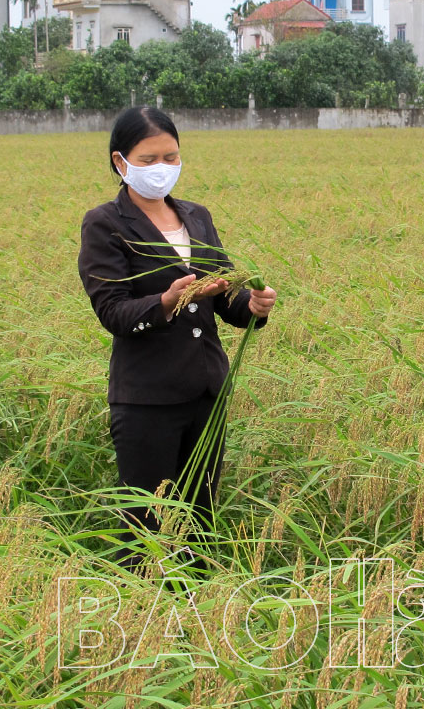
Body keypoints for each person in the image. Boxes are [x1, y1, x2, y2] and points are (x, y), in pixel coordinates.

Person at [77, 106, 276, 578]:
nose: (161, 168)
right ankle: (144, 610)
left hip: (206, 391)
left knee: (198, 518)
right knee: (146, 525)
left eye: (171, 156)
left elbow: (222, 294)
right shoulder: (105, 223)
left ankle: (197, 604)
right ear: (120, 162)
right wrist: (166, 301)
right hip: (147, 398)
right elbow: (113, 312)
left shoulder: (196, 216)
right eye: (148, 160)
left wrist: (252, 306)